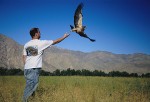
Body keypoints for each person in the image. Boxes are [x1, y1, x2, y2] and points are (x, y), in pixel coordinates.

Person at [22, 27, 70, 102]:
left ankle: (31, 100)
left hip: (27, 68)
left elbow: (24, 56)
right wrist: (64, 36)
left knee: (31, 86)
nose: (40, 33)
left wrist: (27, 65)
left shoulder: (27, 44)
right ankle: (24, 100)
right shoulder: (41, 43)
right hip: (34, 69)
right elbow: (56, 41)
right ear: (36, 34)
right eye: (39, 32)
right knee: (30, 87)